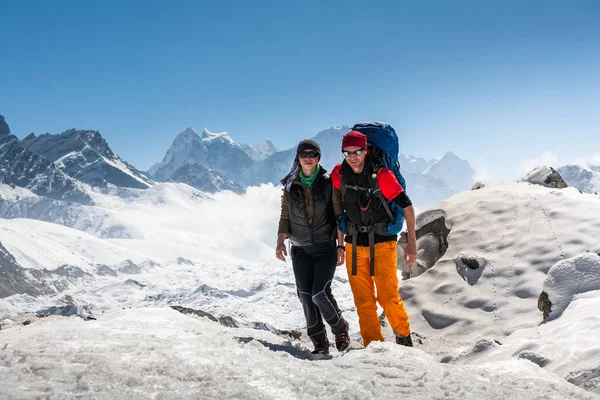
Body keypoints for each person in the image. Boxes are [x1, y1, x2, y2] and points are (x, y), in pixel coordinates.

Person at [331, 130, 418, 347]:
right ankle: (372, 346)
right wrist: (340, 245)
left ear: (366, 150)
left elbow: (407, 207)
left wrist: (412, 243)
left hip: (382, 244)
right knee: (363, 302)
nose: (352, 157)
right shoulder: (338, 174)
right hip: (352, 246)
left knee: (387, 297)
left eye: (357, 151)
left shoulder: (382, 176)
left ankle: (404, 337)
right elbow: (338, 210)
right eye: (347, 152)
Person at [276, 139, 350, 355]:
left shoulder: (329, 183)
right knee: (305, 295)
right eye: (303, 154)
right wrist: (281, 240)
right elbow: (285, 215)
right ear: (298, 158)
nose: (307, 157)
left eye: (312, 153)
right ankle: (320, 343)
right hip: (299, 248)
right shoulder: (290, 184)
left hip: (324, 247)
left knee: (319, 293)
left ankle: (340, 328)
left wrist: (340, 246)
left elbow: (338, 216)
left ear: (318, 157)